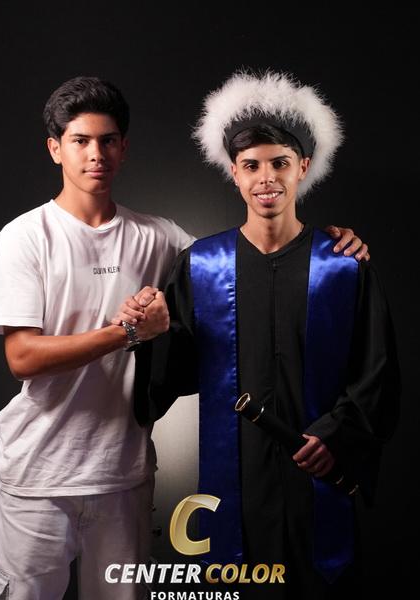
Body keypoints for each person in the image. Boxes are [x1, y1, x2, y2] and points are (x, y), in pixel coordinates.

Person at [0, 74, 367, 600]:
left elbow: (250, 260)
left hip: (124, 474)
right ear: (55, 149)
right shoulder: (26, 236)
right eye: (80, 141)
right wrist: (127, 331)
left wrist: (327, 245)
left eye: (108, 141)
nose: (95, 154)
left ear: (123, 148)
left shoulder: (161, 238)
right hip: (39, 474)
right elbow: (22, 357)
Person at [130, 70, 401, 600]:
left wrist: (338, 435)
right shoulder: (202, 265)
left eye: (280, 162)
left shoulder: (342, 266)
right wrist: (153, 334)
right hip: (238, 484)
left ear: (303, 167)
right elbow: (175, 371)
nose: (266, 178)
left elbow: (378, 369)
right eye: (251, 165)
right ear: (234, 173)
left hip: (316, 470)